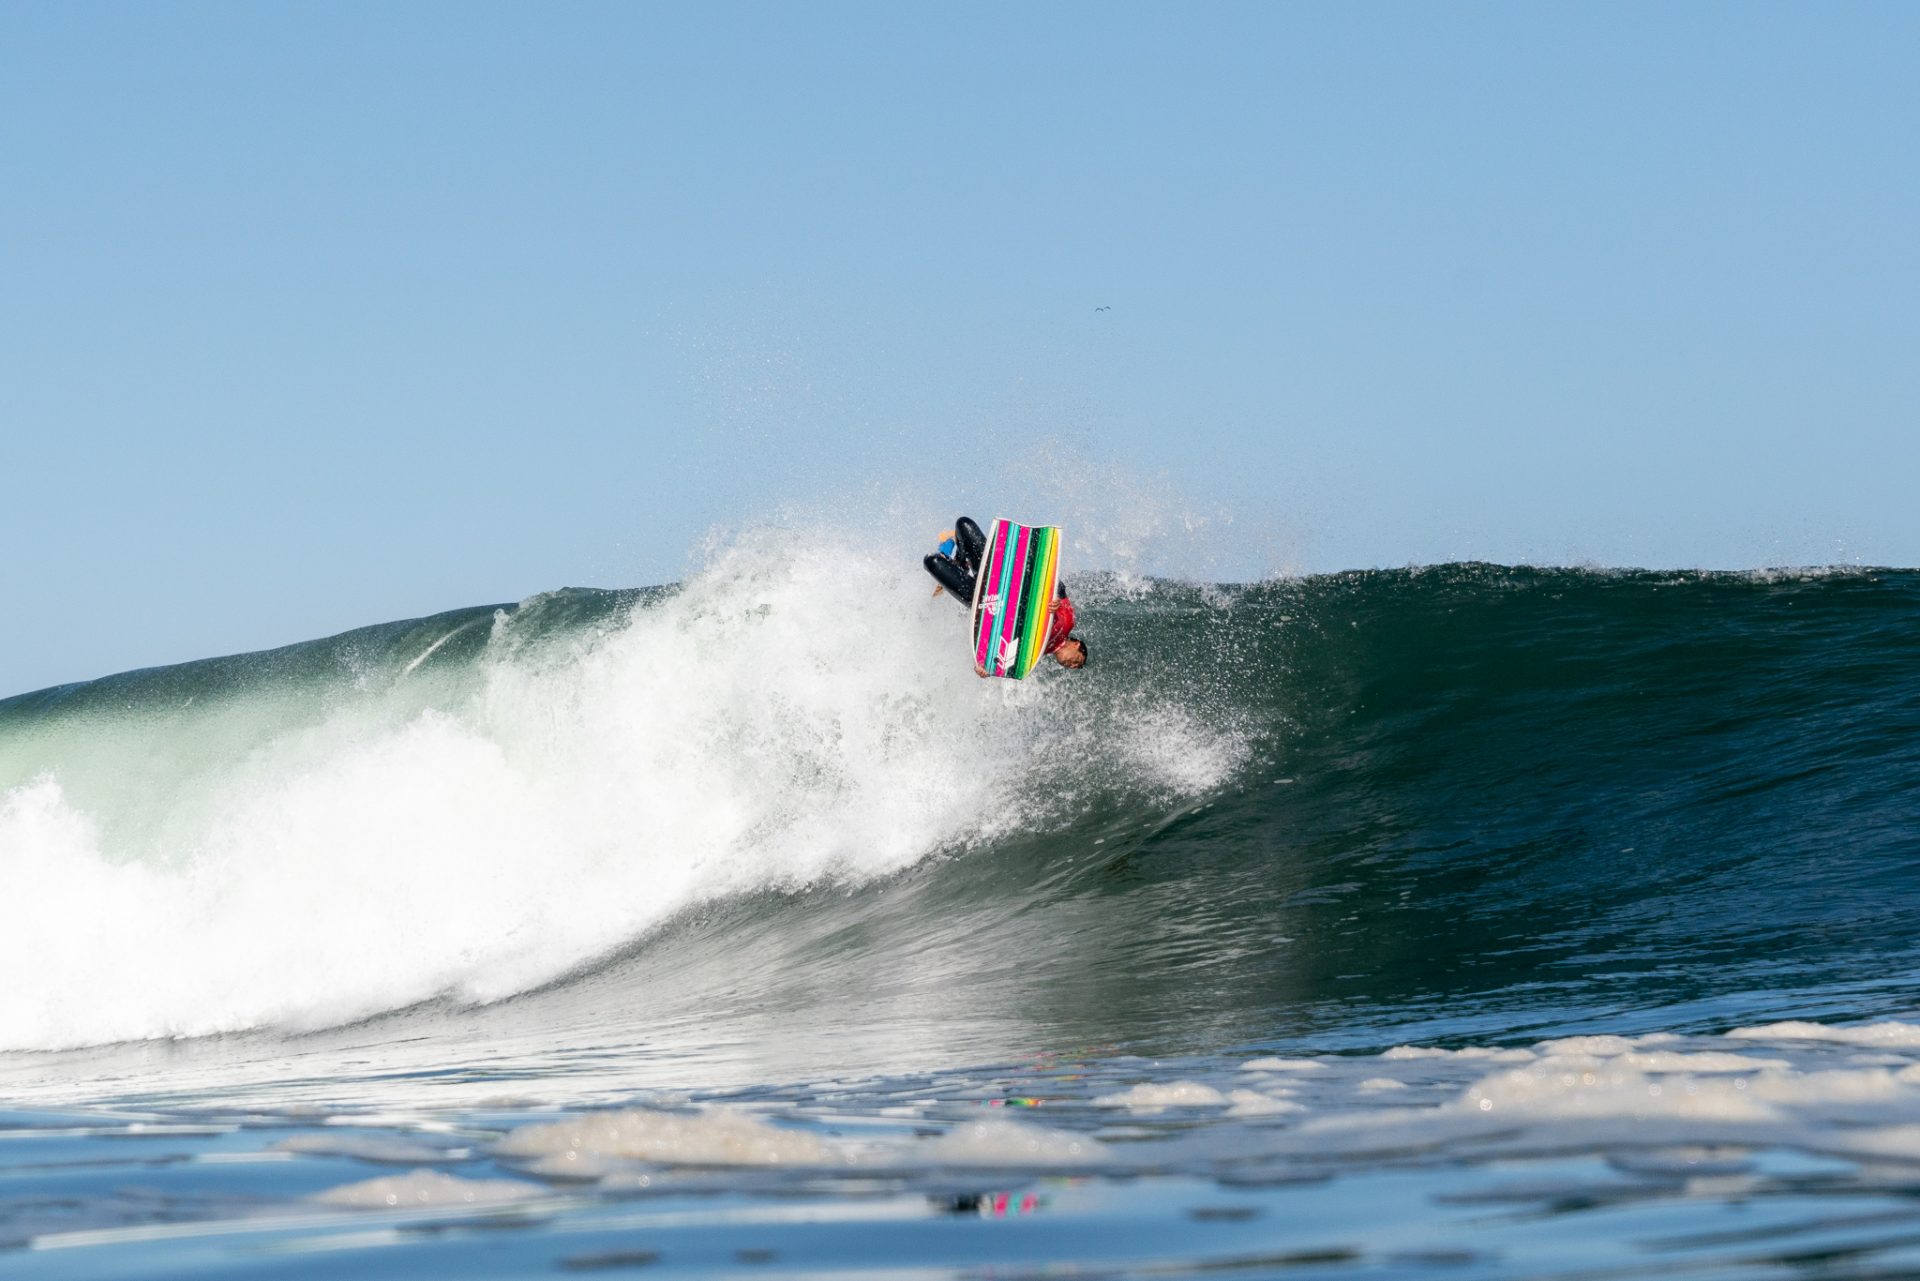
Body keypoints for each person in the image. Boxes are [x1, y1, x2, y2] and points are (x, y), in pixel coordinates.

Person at [924, 517, 1088, 672]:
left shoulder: (1032, 654)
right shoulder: (1068, 621)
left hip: (985, 602)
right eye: (1078, 660)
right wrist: (1054, 599)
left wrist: (985, 668)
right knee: (963, 524)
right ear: (1076, 644)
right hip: (1000, 576)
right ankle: (960, 561)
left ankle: (951, 559)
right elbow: (1057, 585)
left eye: (1075, 667)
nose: (1072, 666)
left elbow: (999, 657)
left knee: (932, 561)